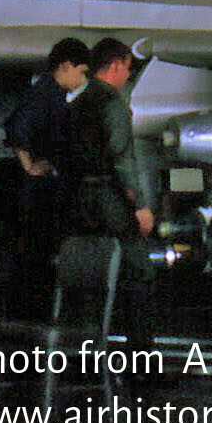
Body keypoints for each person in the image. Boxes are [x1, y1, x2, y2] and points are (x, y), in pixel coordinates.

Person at [63, 37, 155, 345]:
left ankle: (86, 354)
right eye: (127, 68)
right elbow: (122, 161)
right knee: (138, 271)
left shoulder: (75, 104)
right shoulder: (113, 105)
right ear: (115, 65)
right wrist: (140, 206)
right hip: (108, 200)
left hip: (77, 201)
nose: (128, 75)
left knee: (88, 276)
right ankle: (141, 361)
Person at [5, 37, 90, 318]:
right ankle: (31, 311)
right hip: (39, 190)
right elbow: (19, 126)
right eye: (81, 72)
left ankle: (30, 308)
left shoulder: (47, 92)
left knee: (34, 253)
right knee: (36, 252)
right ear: (66, 67)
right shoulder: (46, 95)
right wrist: (28, 164)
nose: (82, 79)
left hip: (40, 187)